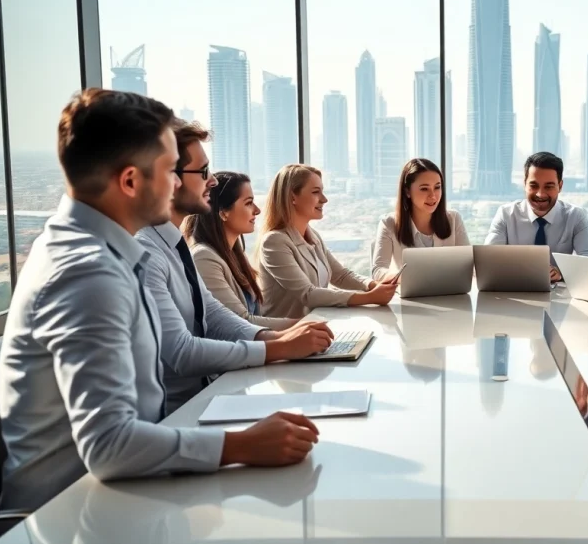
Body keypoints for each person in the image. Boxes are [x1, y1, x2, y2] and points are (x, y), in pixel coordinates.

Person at [0, 89, 320, 511]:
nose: (178, 183)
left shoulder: (98, 249)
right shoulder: (88, 272)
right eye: (171, 170)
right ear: (131, 181)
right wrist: (241, 444)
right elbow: (109, 445)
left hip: (118, 493)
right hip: (70, 513)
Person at [137, 120, 334, 413]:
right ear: (167, 178)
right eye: (203, 172)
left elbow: (214, 314)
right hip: (177, 413)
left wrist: (279, 337)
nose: (212, 181)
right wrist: (277, 347)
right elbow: (180, 352)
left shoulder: (174, 245)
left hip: (208, 396)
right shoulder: (147, 253)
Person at [256, 164, 396, 318]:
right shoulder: (274, 242)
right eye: (316, 192)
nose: (324, 199)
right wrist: (369, 297)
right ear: (292, 197)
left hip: (315, 325)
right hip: (288, 330)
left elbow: (340, 275)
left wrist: (373, 285)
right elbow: (308, 294)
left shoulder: (313, 235)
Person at [183, 170, 296, 330]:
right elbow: (239, 323)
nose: (257, 210)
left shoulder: (234, 255)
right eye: (248, 203)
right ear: (223, 213)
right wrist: (303, 325)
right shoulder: (204, 258)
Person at [485, 151, 588, 282]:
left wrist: (561, 272)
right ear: (525, 184)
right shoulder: (506, 214)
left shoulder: (576, 216)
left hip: (558, 290)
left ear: (560, 186)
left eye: (548, 187)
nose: (540, 194)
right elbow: (488, 260)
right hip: (515, 288)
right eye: (534, 186)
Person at [371, 158, 470, 282]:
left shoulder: (454, 219)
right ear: (407, 191)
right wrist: (408, 276)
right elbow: (378, 271)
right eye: (424, 189)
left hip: (450, 291)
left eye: (437, 187)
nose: (433, 196)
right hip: (410, 293)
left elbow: (468, 264)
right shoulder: (389, 223)